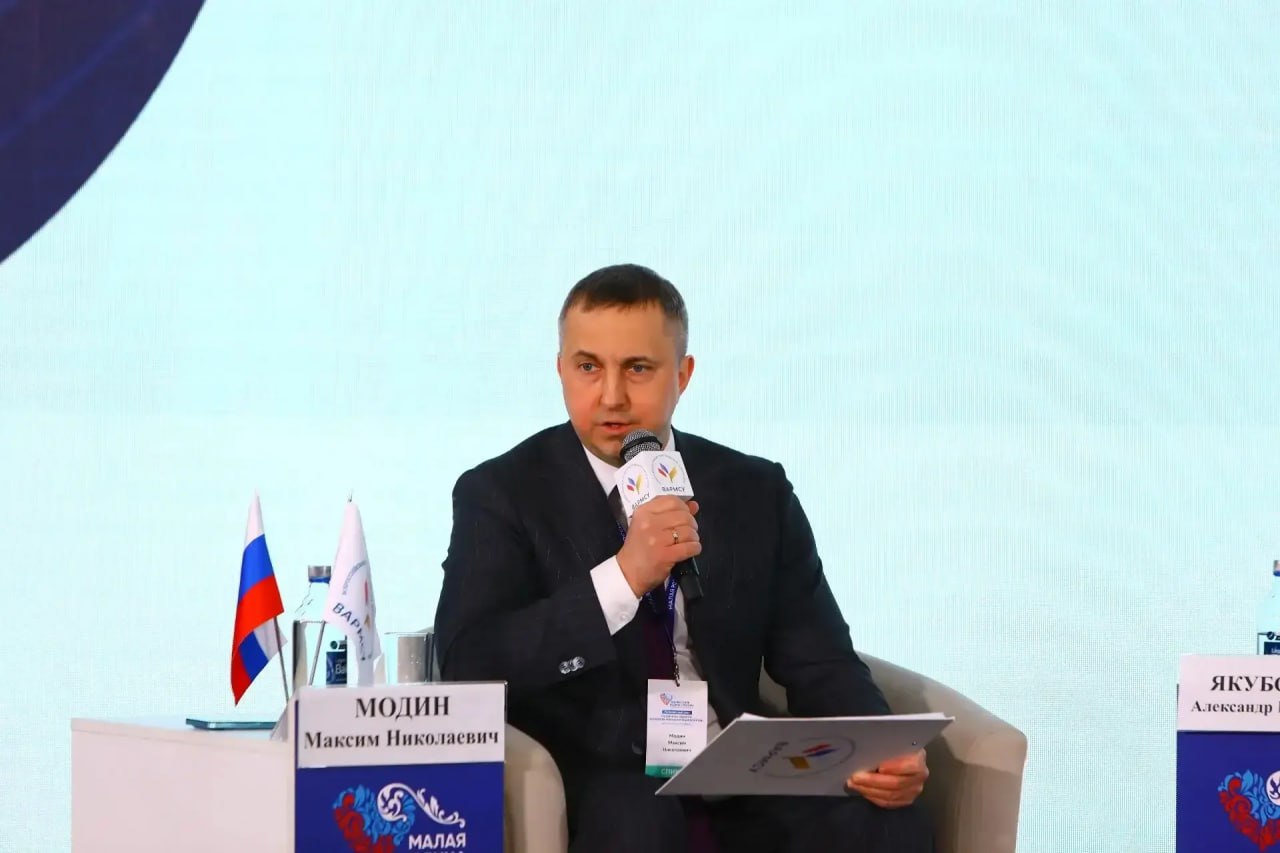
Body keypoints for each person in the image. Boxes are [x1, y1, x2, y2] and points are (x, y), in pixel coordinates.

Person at [433, 264, 932, 852]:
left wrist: (880, 749)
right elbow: (469, 662)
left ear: (683, 375)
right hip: (604, 776)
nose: (611, 396)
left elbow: (821, 660)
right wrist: (623, 579)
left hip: (741, 767)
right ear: (561, 369)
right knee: (640, 825)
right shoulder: (502, 493)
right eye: (589, 367)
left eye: (638, 369)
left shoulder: (753, 490)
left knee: (887, 822)